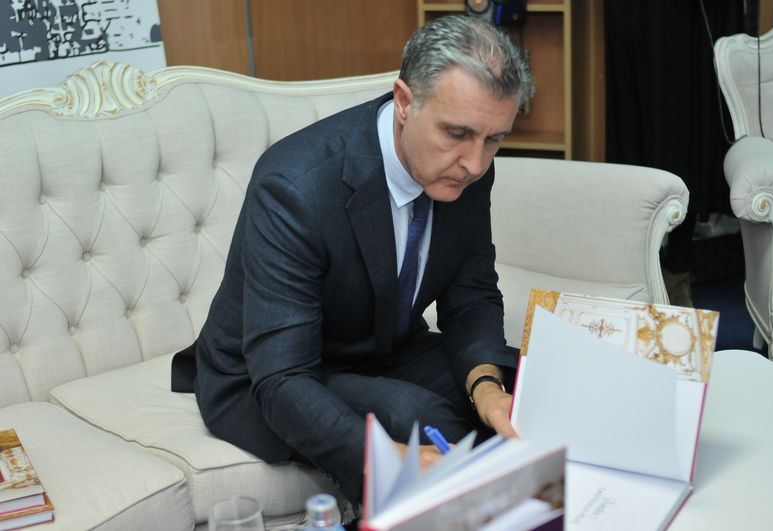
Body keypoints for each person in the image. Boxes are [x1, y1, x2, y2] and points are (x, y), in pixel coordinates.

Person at [171, 14, 533, 505]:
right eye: (457, 133)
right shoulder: (295, 187)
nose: (475, 163)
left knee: (527, 393)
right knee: (420, 421)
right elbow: (282, 377)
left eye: (494, 139)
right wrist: (383, 459)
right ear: (404, 102)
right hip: (269, 372)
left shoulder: (467, 167)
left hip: (379, 345)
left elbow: (471, 296)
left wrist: (487, 388)